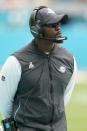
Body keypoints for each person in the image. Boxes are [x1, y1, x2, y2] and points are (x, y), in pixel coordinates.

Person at [0, 6, 77, 131]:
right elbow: (4, 103)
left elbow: (63, 98)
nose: (58, 28)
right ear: (37, 29)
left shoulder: (69, 59)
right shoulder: (16, 61)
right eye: (52, 25)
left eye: (58, 23)